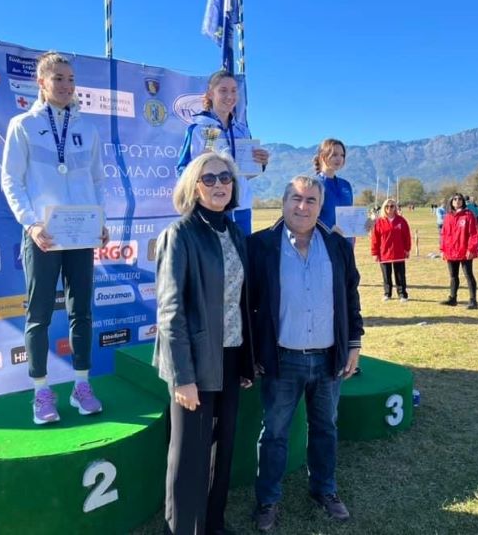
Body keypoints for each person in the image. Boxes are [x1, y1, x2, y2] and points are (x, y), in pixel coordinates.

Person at [248, 175, 364, 531]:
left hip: (329, 358)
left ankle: (324, 490)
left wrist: (354, 344)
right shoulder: (260, 246)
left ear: (320, 205)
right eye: (296, 199)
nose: (303, 206)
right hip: (282, 359)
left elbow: (351, 298)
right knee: (275, 433)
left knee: (325, 427)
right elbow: (247, 304)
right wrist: (252, 353)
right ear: (283, 202)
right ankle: (268, 499)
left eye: (311, 200)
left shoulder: (338, 246)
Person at [1, 51, 109, 425]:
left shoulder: (88, 129)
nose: (66, 85)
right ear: (42, 83)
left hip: (81, 235)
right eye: (58, 78)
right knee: (40, 314)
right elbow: (11, 180)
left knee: (82, 312)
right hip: (43, 235)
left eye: (71, 79)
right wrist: (31, 224)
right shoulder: (23, 125)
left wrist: (101, 220)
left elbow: (97, 180)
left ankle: (82, 385)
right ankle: (41, 392)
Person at [152, 152, 255, 535]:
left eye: (225, 177)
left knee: (221, 450)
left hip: (230, 356)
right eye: (208, 178)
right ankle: (182, 529)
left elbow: (241, 302)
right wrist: (182, 377)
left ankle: (213, 525)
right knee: (189, 457)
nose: (218, 185)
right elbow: (170, 311)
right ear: (194, 187)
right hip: (193, 363)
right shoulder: (180, 234)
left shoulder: (235, 233)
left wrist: (245, 361)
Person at [177, 70, 269, 235]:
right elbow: (182, 170)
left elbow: (244, 173)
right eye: (223, 90)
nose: (230, 96)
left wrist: (260, 163)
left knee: (242, 252)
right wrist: (200, 168)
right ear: (210, 94)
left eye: (234, 91)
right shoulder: (198, 129)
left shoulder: (243, 130)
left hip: (241, 209)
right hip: (212, 209)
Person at [440, 193, 478, 309]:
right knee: (453, 276)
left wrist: (471, 249)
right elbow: (444, 234)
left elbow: (473, 234)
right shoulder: (448, 216)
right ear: (451, 202)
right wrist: (442, 249)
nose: (457, 201)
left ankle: (473, 300)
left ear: (463, 201)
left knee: (468, 275)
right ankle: (453, 298)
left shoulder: (468, 215)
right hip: (451, 251)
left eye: (459, 199)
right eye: (455, 199)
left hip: (464, 251)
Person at [371, 198, 411, 302]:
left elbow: (406, 236)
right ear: (384, 208)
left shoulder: (401, 221)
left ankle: (402, 294)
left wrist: (407, 249)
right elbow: (375, 239)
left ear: (395, 208)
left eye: (392, 206)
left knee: (400, 275)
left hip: (399, 252)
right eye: (387, 206)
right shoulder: (379, 222)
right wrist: (375, 253)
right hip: (384, 252)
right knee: (386, 275)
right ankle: (387, 293)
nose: (389, 208)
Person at [314, 138, 353, 235]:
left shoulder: (346, 185)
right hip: (323, 240)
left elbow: (350, 217)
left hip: (346, 241)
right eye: (334, 154)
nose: (339, 158)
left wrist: (363, 224)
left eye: (342, 155)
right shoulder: (314, 184)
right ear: (322, 156)